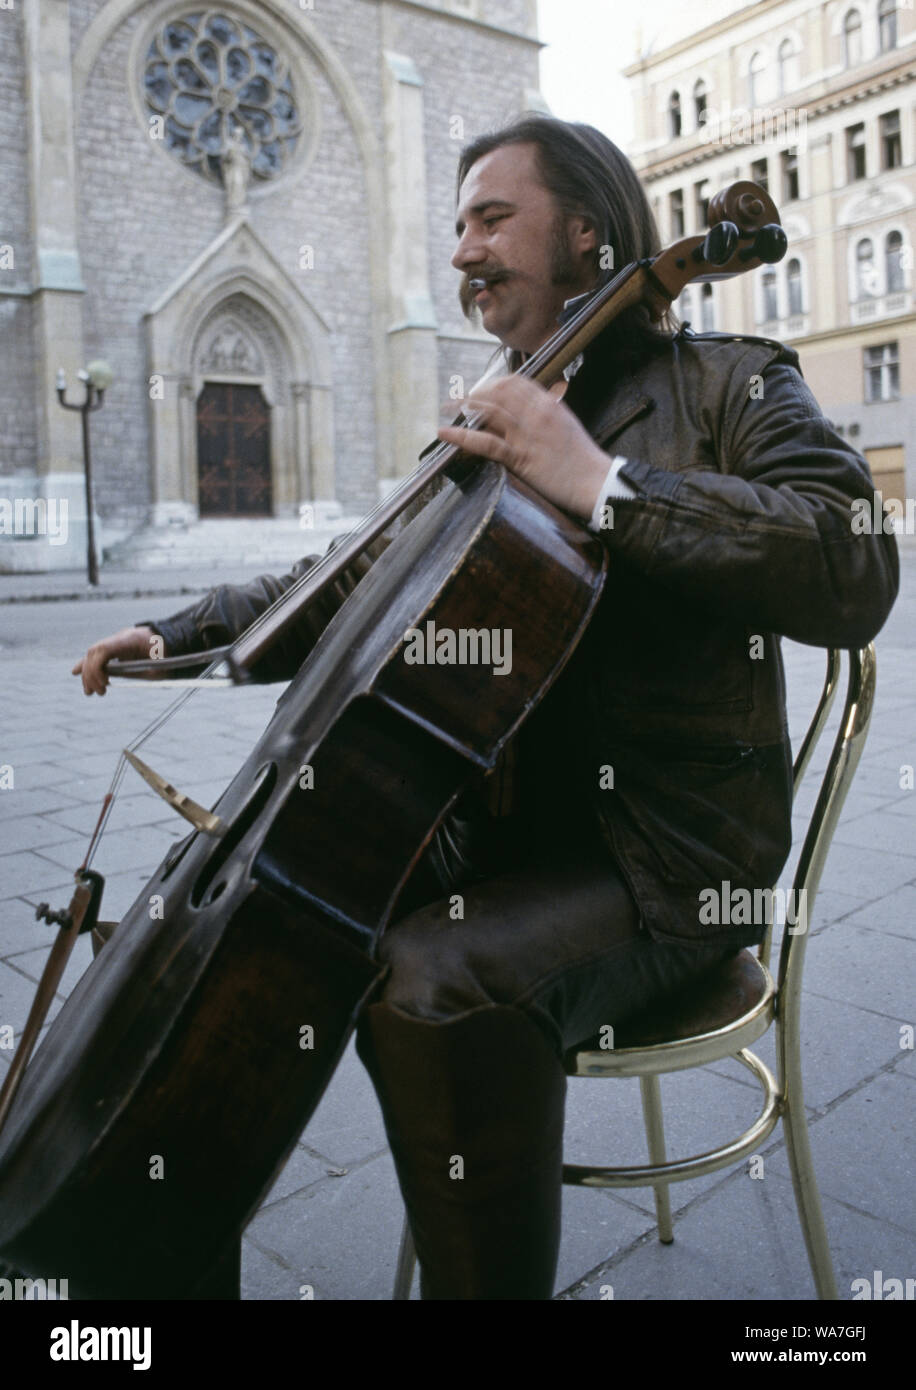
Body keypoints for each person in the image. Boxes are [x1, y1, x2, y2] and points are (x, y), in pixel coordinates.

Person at [73, 118, 899, 1300]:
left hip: (665, 859)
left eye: (488, 218)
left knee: (432, 978)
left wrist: (602, 483)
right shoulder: (503, 412)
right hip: (496, 832)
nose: (461, 250)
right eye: (456, 225)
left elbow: (850, 561)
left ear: (585, 232)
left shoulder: (731, 381)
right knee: (245, 925)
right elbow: (355, 571)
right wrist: (190, 631)